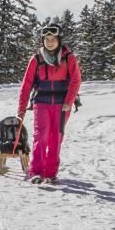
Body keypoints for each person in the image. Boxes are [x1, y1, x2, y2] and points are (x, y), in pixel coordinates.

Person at [16, 26, 81, 184]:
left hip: (62, 105)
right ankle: (37, 172)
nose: (50, 42)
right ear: (42, 41)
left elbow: (76, 80)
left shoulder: (68, 58)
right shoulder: (37, 59)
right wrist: (21, 108)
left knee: (55, 138)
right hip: (41, 102)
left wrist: (69, 102)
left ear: (59, 40)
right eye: (47, 40)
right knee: (41, 136)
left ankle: (51, 173)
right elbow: (26, 84)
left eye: (53, 39)